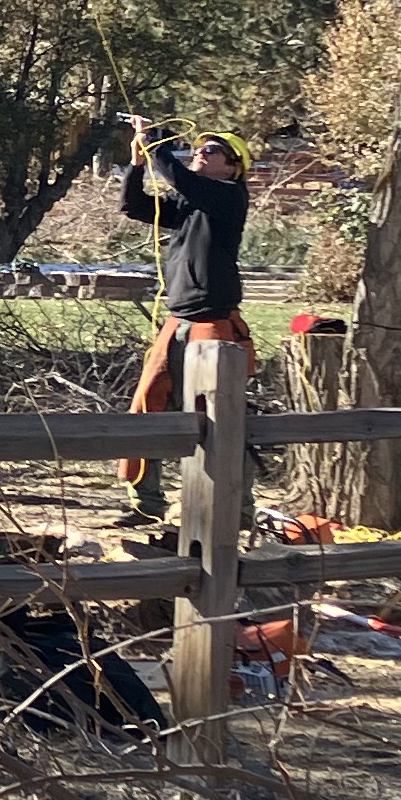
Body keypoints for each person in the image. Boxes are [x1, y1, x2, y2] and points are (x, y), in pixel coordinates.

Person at [118, 126, 253, 517]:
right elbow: (133, 206)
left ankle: (237, 507)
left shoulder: (228, 197)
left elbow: (182, 180)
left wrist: (157, 147)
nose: (200, 152)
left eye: (212, 150)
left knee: (219, 416)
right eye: (198, 148)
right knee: (146, 407)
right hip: (177, 322)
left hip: (215, 323)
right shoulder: (192, 204)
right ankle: (145, 503)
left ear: (232, 168)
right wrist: (137, 163)